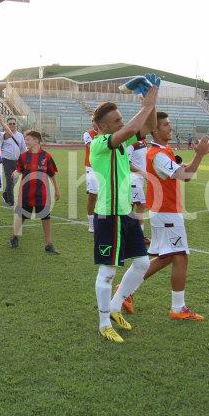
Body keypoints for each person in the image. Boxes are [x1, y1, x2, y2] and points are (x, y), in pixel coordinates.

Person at [119, 112, 209, 319]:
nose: (170, 128)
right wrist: (198, 154)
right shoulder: (158, 155)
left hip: (165, 211)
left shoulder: (162, 151)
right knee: (180, 256)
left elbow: (184, 170)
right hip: (166, 212)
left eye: (169, 124)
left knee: (166, 257)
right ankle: (178, 308)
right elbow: (185, 176)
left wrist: (201, 154)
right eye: (165, 125)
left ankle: (126, 291)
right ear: (155, 129)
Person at [89, 85, 159, 343]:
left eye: (121, 119)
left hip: (126, 213)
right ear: (103, 127)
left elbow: (147, 127)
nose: (122, 122)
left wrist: (152, 102)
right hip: (108, 216)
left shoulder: (120, 142)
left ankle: (116, 306)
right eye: (116, 120)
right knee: (107, 272)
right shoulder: (99, 144)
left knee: (141, 263)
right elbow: (131, 129)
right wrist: (144, 105)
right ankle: (103, 322)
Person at [9, 130, 60, 253]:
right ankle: (15, 237)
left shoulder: (46, 156)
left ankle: (49, 244)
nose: (26, 141)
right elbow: (19, 170)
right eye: (25, 139)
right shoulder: (23, 156)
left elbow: (52, 174)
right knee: (21, 216)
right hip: (26, 192)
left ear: (36, 141)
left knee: (45, 218)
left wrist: (56, 190)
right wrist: (15, 173)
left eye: (28, 139)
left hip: (41, 194)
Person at [0, 117, 25, 207]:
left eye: (13, 123)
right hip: (6, 160)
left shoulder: (20, 136)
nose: (12, 125)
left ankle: (6, 194)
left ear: (16, 124)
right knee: (9, 180)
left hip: (17, 161)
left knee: (15, 180)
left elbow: (23, 148)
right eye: (10, 123)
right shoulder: (3, 135)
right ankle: (11, 201)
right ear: (7, 125)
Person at [83, 121, 100, 233]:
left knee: (105, 196)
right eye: (93, 121)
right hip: (92, 168)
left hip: (105, 168)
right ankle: (91, 224)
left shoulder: (108, 134)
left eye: (97, 121)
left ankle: (103, 221)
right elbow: (93, 148)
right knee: (93, 196)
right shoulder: (88, 134)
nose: (95, 123)